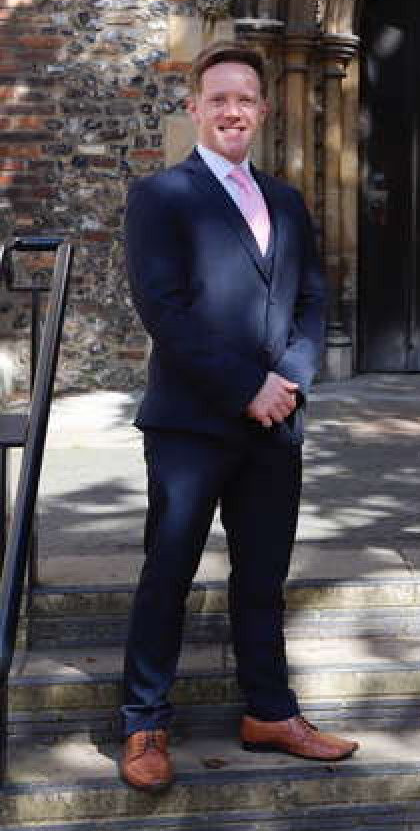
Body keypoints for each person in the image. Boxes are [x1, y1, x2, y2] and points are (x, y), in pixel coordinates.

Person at [119, 41, 358, 792]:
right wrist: (244, 386)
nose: (232, 111)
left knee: (263, 576)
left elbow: (313, 299)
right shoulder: (161, 196)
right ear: (195, 108)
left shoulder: (285, 200)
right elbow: (165, 311)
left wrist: (289, 378)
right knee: (169, 568)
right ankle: (143, 721)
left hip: (274, 424)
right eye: (217, 98)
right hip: (191, 424)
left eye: (244, 99)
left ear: (262, 109)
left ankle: (270, 711)